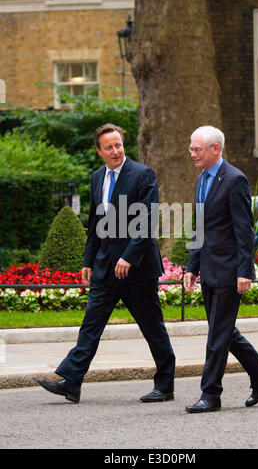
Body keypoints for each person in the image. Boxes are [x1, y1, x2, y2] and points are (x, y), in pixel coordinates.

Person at [38, 123, 175, 404]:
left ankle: (165, 385)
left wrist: (129, 255)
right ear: (98, 151)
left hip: (137, 269)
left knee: (152, 327)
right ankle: (72, 381)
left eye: (119, 145)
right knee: (91, 325)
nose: (115, 150)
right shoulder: (97, 177)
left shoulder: (143, 174)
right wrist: (89, 260)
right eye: (109, 147)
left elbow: (147, 220)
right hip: (105, 269)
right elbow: (96, 223)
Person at [184, 125, 258, 413]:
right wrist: (191, 267)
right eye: (191, 148)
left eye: (197, 149)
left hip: (229, 271)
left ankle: (211, 395)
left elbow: (244, 230)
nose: (192, 153)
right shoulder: (200, 181)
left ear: (215, 149)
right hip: (209, 269)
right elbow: (199, 228)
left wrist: (244, 271)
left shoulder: (235, 179)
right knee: (222, 331)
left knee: (217, 336)